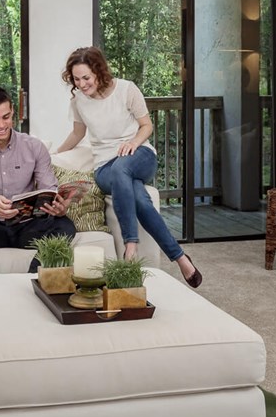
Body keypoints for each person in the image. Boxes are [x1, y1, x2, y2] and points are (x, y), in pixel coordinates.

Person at [57, 46, 202, 288]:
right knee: (137, 195)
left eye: (86, 77)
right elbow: (77, 133)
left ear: (99, 72)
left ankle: (130, 245)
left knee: (122, 168)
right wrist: (53, 154)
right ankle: (179, 257)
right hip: (105, 167)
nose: (81, 84)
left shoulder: (126, 89)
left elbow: (146, 126)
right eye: (76, 79)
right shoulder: (78, 102)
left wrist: (133, 142)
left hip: (139, 155)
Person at [0, 86, 77, 275]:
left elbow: (49, 188)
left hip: (27, 228)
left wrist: (58, 207)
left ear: (12, 112)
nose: (1, 125)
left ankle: (32, 279)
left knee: (64, 225)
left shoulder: (34, 147)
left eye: (6, 117)